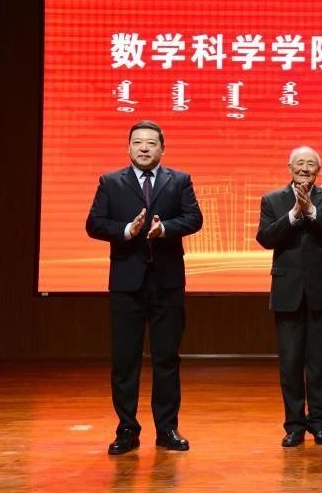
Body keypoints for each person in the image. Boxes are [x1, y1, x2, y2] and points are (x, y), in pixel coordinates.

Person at [85, 120, 203, 455]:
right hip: (127, 283)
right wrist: (126, 230)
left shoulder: (179, 180)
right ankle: (126, 429)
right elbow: (94, 223)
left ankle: (167, 429)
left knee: (167, 358)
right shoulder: (110, 182)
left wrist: (164, 229)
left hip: (167, 282)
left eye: (151, 142)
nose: (144, 148)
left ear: (162, 148)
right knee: (125, 360)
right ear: (129, 147)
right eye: (137, 142)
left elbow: (194, 218)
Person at [256, 146, 322, 447]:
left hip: (320, 290)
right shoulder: (272, 200)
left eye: (311, 164)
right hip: (287, 292)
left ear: (318, 170)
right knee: (291, 362)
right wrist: (294, 214)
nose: (305, 168)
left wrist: (312, 213)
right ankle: (294, 425)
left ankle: (320, 424)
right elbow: (265, 238)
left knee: (319, 363)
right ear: (290, 167)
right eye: (299, 163)